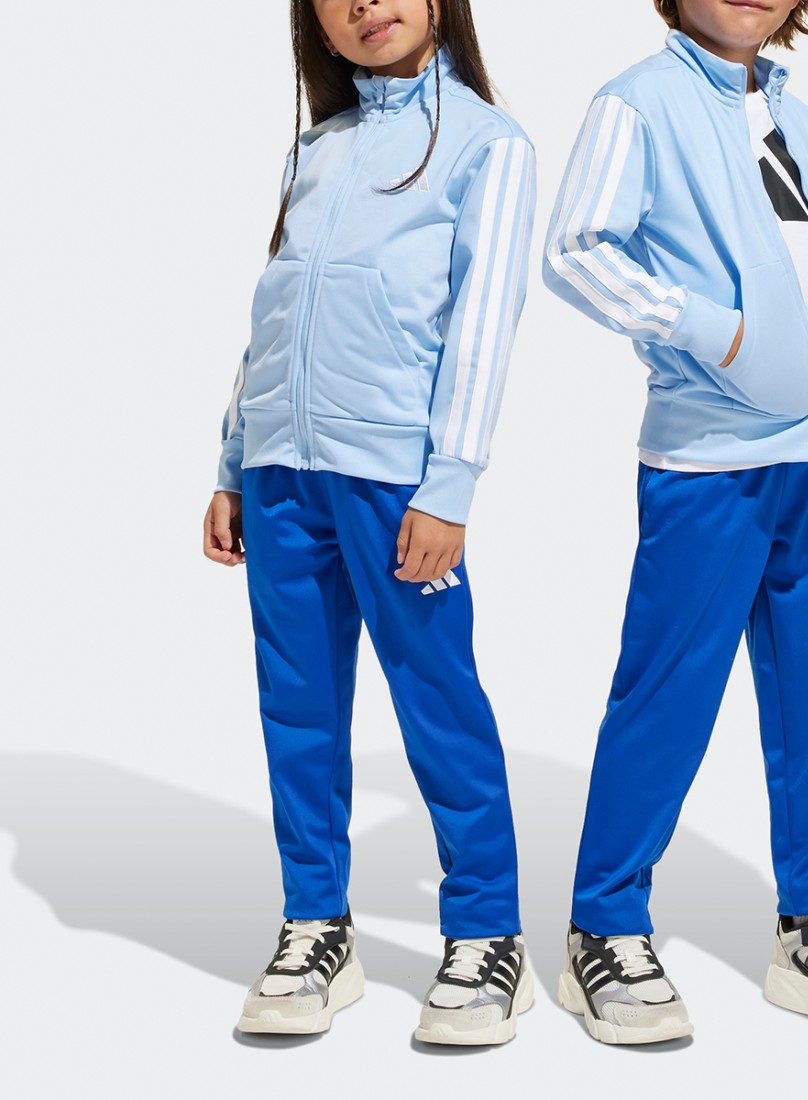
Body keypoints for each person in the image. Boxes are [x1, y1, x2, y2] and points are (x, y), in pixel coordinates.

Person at [543, 0, 808, 1042]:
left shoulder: (801, 120)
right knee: (666, 694)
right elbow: (574, 249)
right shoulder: (638, 103)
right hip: (708, 463)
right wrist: (714, 333)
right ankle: (602, 924)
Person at [203, 0, 535, 1045]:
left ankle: (486, 931)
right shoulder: (319, 148)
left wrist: (450, 485)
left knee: (439, 701)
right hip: (281, 474)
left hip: (396, 481)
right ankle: (315, 922)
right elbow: (273, 311)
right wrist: (232, 460)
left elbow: (483, 323)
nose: (364, 4)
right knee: (297, 705)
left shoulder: (488, 144)